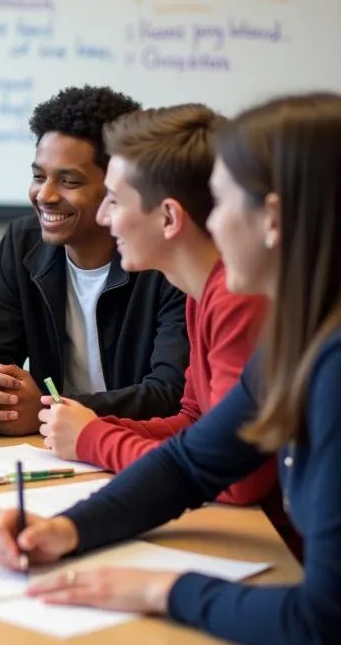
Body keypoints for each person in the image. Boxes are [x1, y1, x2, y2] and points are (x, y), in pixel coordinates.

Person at [0, 93, 341, 645]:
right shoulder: (300, 341)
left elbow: (321, 627)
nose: (212, 222)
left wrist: (160, 590)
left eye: (223, 201)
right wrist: (68, 530)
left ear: (273, 220)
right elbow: (192, 462)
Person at [38, 104, 278, 509]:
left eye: (114, 200)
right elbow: (195, 423)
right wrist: (94, 425)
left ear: (169, 217)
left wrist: (94, 439)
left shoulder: (237, 297)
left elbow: (236, 480)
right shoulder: (199, 291)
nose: (102, 217)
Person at [0, 85, 189, 435]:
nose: (45, 195)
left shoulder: (162, 257)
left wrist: (49, 407)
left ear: (116, 186)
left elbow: (170, 392)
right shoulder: (24, 242)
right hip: (59, 450)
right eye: (38, 176)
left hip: (135, 447)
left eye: (69, 180)